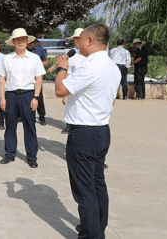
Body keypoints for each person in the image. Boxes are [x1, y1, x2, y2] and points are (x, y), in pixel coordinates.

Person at [55, 23, 120, 239]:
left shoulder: (89, 66)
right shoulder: (112, 66)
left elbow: (60, 90)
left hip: (84, 133)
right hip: (101, 130)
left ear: (90, 40)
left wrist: (62, 68)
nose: (78, 42)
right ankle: (97, 227)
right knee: (97, 183)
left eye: (81, 38)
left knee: (84, 190)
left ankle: (92, 235)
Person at [0, 28, 45, 168]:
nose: (20, 42)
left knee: (29, 126)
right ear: (13, 42)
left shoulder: (34, 58)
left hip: (28, 95)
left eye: (23, 40)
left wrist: (36, 97)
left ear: (27, 41)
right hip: (11, 95)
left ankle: (31, 156)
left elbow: (39, 79)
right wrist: (2, 98)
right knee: (10, 126)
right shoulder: (7, 59)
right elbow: (2, 79)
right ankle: (10, 154)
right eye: (17, 40)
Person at [60, 28, 85, 134]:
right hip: (72, 88)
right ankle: (69, 125)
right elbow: (67, 74)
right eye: (75, 38)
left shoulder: (90, 55)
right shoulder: (71, 55)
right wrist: (64, 95)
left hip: (86, 90)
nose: (77, 40)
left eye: (79, 38)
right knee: (71, 109)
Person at [26, 38, 48, 125]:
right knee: (26, 97)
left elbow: (45, 62)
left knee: (39, 97)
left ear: (35, 43)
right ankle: (27, 116)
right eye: (29, 44)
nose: (30, 45)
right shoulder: (24, 50)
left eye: (32, 44)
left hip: (37, 77)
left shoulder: (40, 50)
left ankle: (42, 117)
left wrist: (35, 64)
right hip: (26, 77)